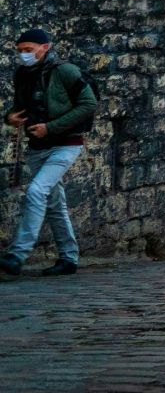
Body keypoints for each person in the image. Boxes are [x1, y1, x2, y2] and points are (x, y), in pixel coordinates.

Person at [4, 28, 97, 277]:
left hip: (66, 144)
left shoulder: (65, 71)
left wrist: (51, 127)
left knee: (36, 190)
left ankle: (17, 254)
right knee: (55, 203)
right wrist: (10, 117)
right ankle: (68, 259)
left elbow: (89, 104)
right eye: (20, 51)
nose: (24, 55)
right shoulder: (22, 74)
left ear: (45, 48)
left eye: (29, 50)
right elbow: (19, 107)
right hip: (37, 147)